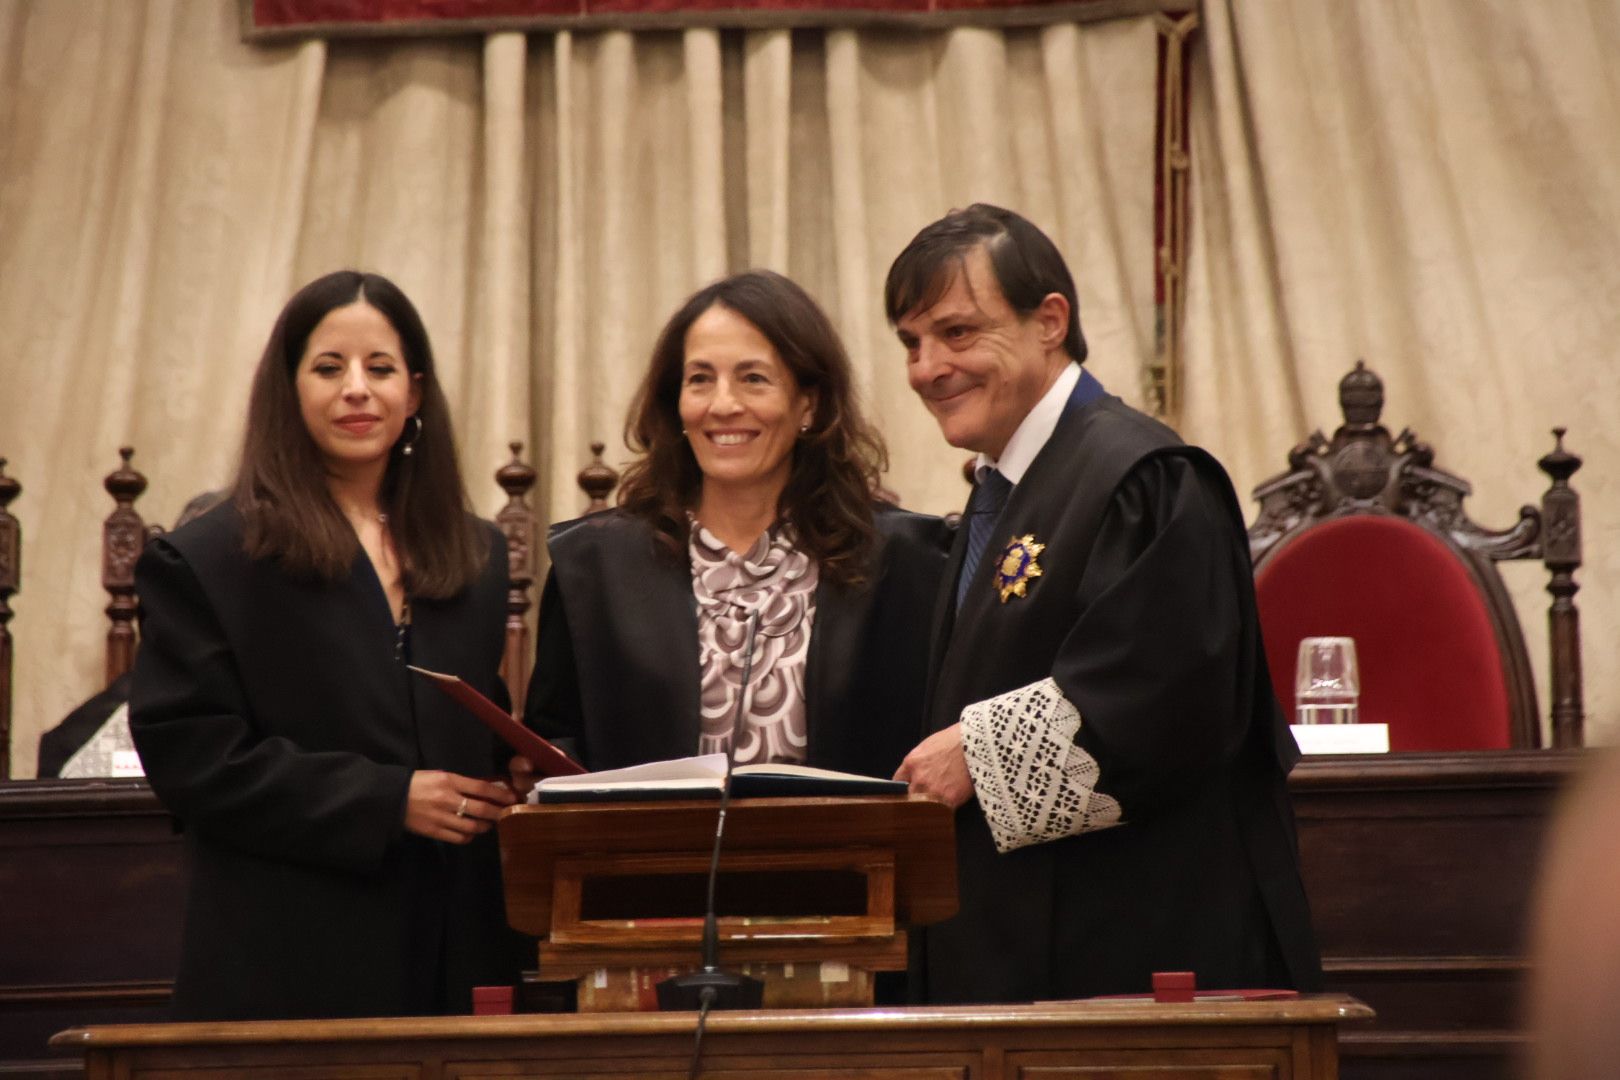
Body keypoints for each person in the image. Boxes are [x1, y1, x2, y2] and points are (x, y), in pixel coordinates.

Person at [886, 204, 1321, 1003]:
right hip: (1016, 947)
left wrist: (976, 755)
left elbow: (1170, 702)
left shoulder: (1143, 475)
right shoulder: (1002, 490)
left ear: (1050, 320)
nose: (926, 368)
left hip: (1134, 960)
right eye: (911, 344)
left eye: (956, 333)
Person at [130, 271, 526, 1021]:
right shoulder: (211, 558)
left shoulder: (472, 552)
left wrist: (514, 764)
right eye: (328, 367)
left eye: (380, 368)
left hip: (458, 950)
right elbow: (194, 762)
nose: (357, 389)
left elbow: (463, 713)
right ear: (288, 388)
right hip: (290, 956)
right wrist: (387, 801)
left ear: (414, 392)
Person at [524, 270, 949, 785]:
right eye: (700, 379)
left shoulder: (901, 559)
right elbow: (554, 748)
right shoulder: (592, 566)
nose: (723, 404)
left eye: (753, 378)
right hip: (647, 861)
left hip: (848, 862)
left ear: (808, 404)